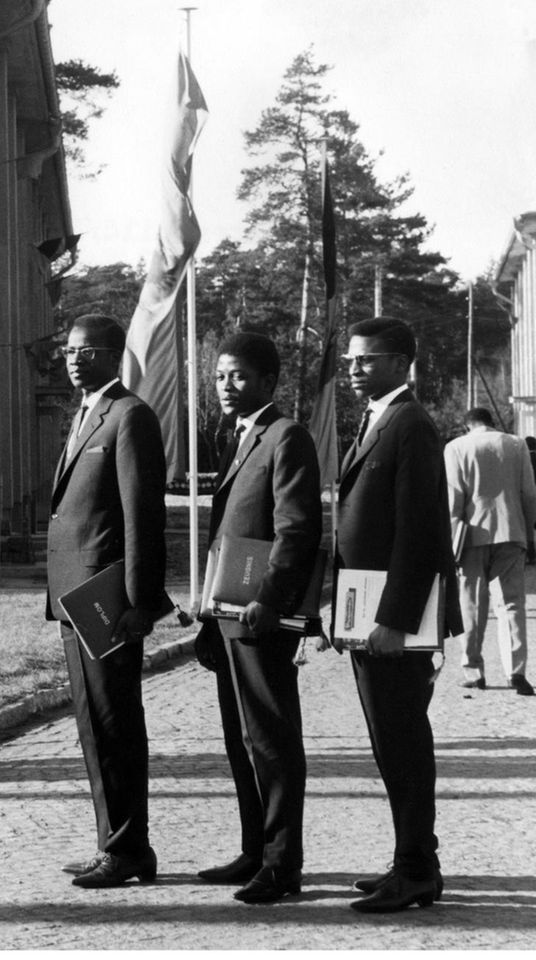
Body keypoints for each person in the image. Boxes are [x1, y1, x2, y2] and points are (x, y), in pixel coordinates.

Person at [332, 316, 461, 914]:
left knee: (404, 742)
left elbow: (418, 534)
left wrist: (394, 621)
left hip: (392, 625)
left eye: (367, 360)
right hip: (367, 617)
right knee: (391, 743)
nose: (355, 369)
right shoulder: (377, 419)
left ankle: (415, 872)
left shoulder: (410, 424)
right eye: (351, 360)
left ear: (401, 361)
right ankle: (411, 861)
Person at [194, 332, 322, 905]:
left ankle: (281, 865)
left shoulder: (286, 436)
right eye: (221, 375)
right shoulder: (239, 437)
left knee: (271, 741)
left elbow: (296, 529)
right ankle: (253, 850)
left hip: (260, 617)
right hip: (227, 616)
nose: (227, 385)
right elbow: (229, 535)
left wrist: (270, 600)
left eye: (240, 376)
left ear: (269, 381)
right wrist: (206, 619)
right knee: (241, 739)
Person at [45, 313, 168, 889]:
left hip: (108, 601)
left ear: (115, 354)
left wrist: (140, 602)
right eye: (68, 350)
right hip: (75, 598)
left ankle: (128, 848)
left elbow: (142, 516)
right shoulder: (87, 414)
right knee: (93, 725)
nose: (73, 359)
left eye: (86, 350)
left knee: (116, 721)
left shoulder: (130, 416)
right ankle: (114, 843)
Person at [444, 408, 536, 696]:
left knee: (471, 604)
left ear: (466, 425)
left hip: (470, 535)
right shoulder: (516, 444)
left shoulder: (456, 447)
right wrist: (528, 531)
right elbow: (529, 493)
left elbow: (453, 498)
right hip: (511, 532)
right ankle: (515, 672)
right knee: (511, 603)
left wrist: (451, 539)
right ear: (491, 423)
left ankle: (474, 671)